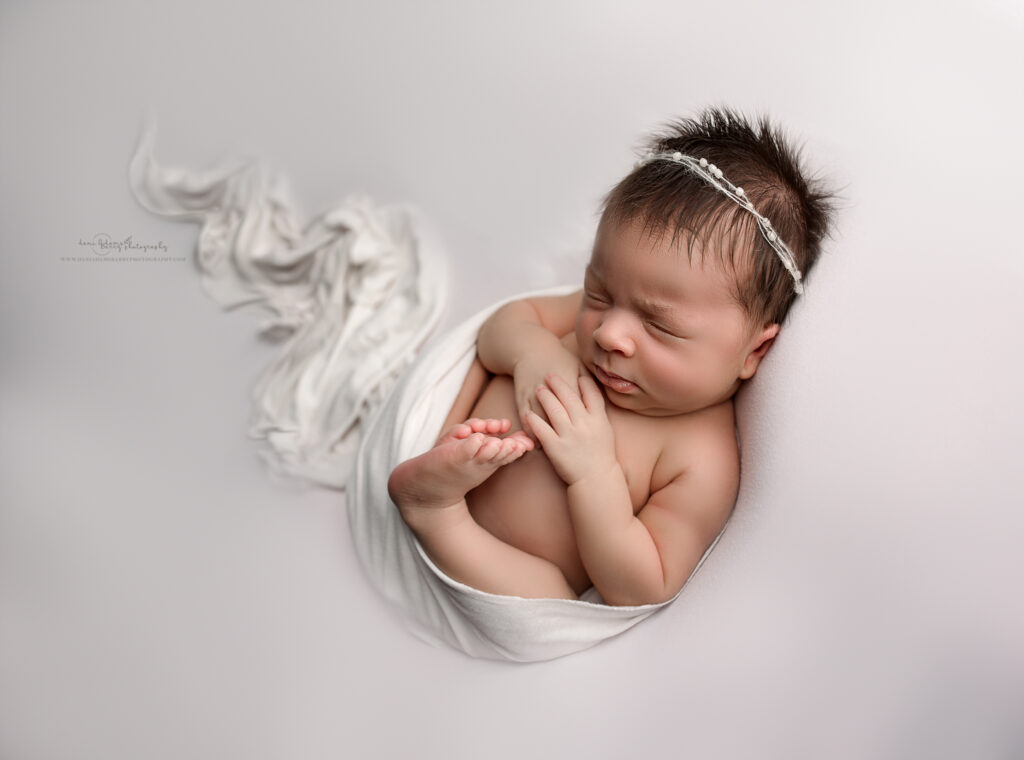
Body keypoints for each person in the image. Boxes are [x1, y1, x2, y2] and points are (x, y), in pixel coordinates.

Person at [387, 106, 836, 606]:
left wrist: (593, 473)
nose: (609, 332)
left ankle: (434, 513)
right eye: (597, 293)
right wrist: (532, 355)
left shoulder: (701, 459)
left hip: (494, 565)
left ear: (754, 351)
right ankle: (431, 459)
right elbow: (501, 328)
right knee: (477, 359)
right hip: (437, 445)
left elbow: (642, 586)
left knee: (548, 594)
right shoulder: (602, 319)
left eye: (659, 325)